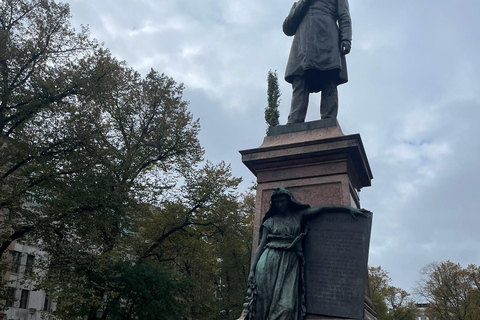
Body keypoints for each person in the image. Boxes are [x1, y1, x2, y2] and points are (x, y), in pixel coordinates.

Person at [243, 187, 367, 320]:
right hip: (269, 261)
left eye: (283, 201)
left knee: (287, 306)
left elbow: (322, 209)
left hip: (290, 261)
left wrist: (348, 209)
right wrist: (252, 270)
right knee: (264, 302)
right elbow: (261, 246)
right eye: (277, 202)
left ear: (289, 201)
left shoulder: (298, 216)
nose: (280, 204)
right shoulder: (269, 222)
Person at [283, 0, 352, 124]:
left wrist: (346, 38)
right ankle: (294, 120)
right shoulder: (298, 3)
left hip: (327, 37)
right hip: (302, 43)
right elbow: (288, 28)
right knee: (300, 80)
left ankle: (329, 120)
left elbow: (344, 16)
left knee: (329, 77)